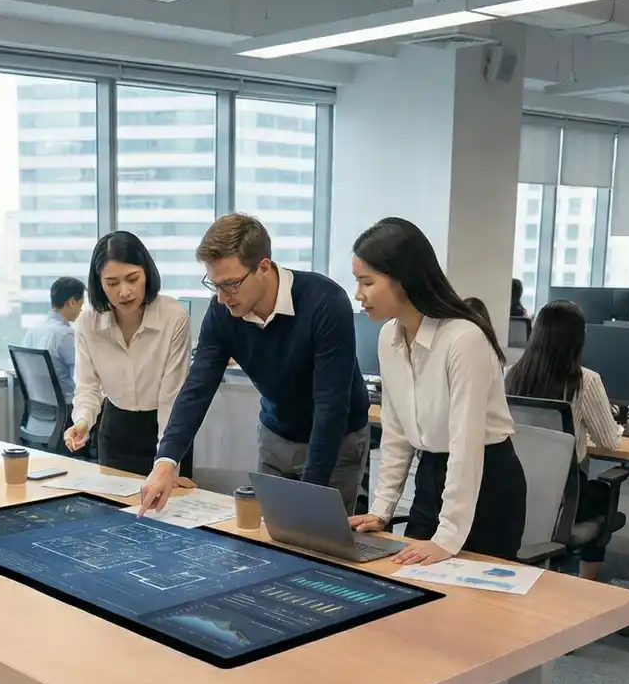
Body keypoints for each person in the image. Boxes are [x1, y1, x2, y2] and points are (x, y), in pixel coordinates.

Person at [343, 217, 523, 684]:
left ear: (403, 277)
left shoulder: (463, 339)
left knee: (468, 641)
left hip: (488, 489)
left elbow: (470, 447)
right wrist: (384, 508)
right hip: (435, 481)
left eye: (367, 281)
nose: (359, 294)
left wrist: (446, 539)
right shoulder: (391, 338)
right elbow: (394, 431)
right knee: (416, 630)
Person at [137, 213, 370, 516]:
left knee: (319, 538)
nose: (221, 298)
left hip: (336, 439)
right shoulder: (222, 312)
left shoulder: (324, 301)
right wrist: (165, 462)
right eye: (214, 284)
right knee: (271, 532)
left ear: (263, 266)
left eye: (231, 284)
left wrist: (311, 496)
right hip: (276, 434)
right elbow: (197, 388)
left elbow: (331, 404)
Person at [503, 300, 624, 580]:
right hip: (565, 499)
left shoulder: (510, 374)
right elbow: (609, 442)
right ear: (578, 338)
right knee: (602, 493)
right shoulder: (585, 380)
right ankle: (586, 584)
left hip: (513, 490)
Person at [62, 232, 195, 475]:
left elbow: (171, 398)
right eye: (112, 283)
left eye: (133, 279)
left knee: (170, 510)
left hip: (167, 431)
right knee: (112, 508)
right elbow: (88, 388)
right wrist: (81, 423)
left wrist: (167, 464)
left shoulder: (173, 317)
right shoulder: (88, 323)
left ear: (147, 274)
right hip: (116, 431)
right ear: (99, 284)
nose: (124, 292)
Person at [22, 277, 86, 401]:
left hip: (40, 407)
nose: (81, 310)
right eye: (81, 304)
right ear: (72, 302)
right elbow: (82, 378)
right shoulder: (66, 335)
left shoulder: (33, 331)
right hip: (69, 408)